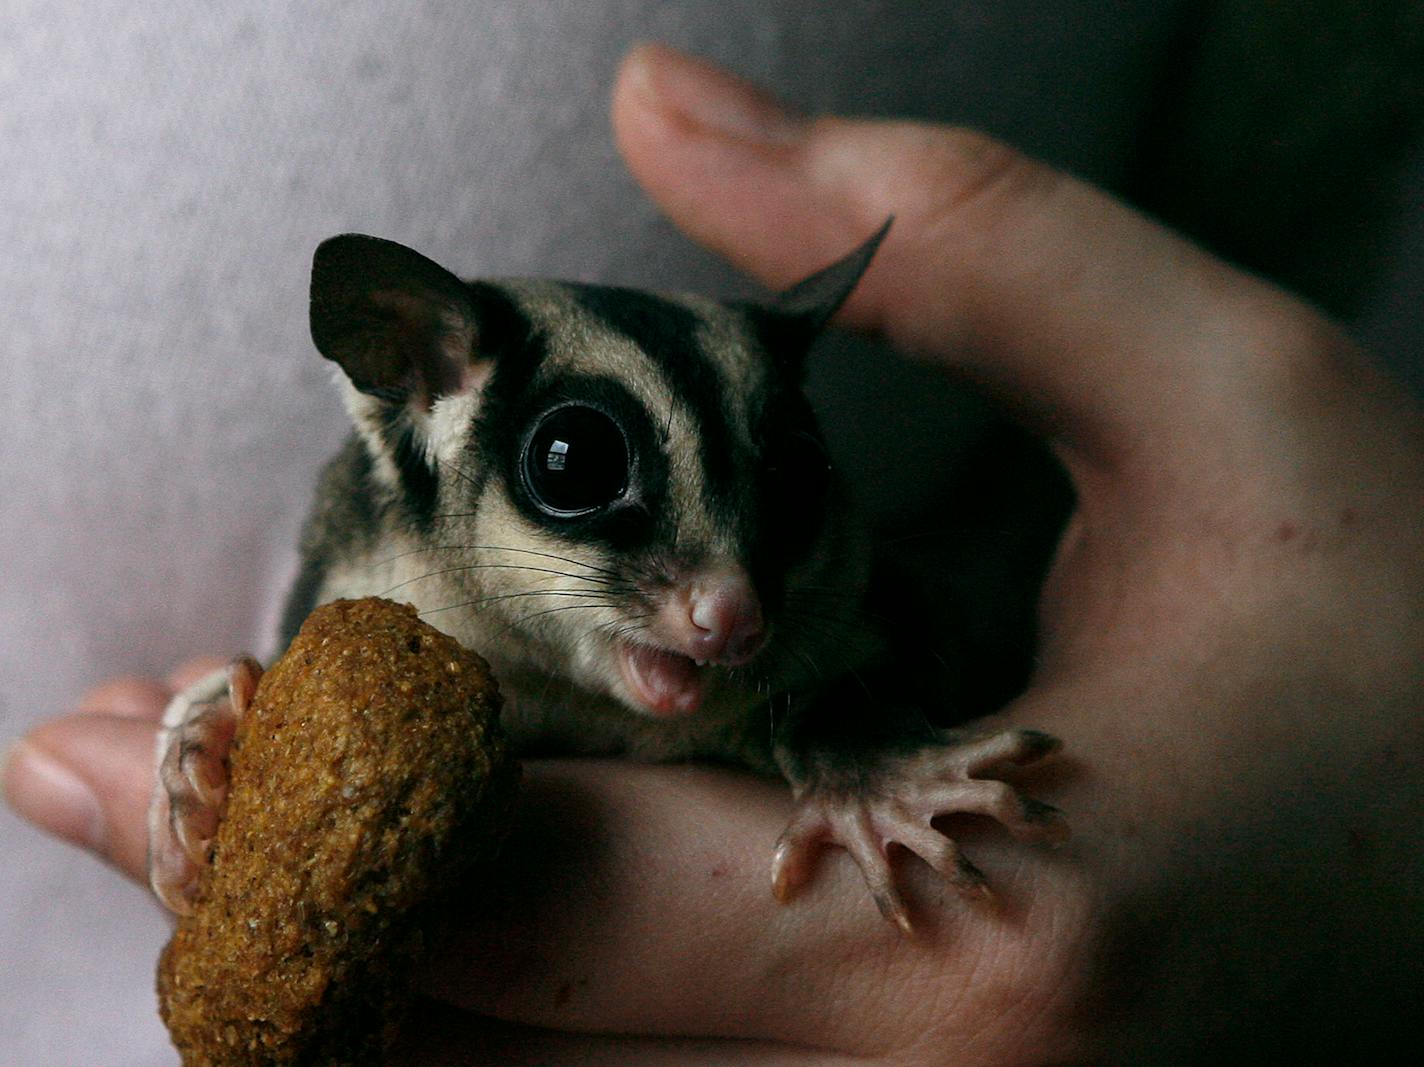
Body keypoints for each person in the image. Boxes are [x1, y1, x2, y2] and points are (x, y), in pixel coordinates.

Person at [8, 41, 1424, 1066]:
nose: (729, 605)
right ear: (417, 394)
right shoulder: (379, 574)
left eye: (777, 488)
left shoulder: (799, 598)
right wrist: (228, 743)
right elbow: (302, 692)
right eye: (581, 469)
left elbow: (861, 658)